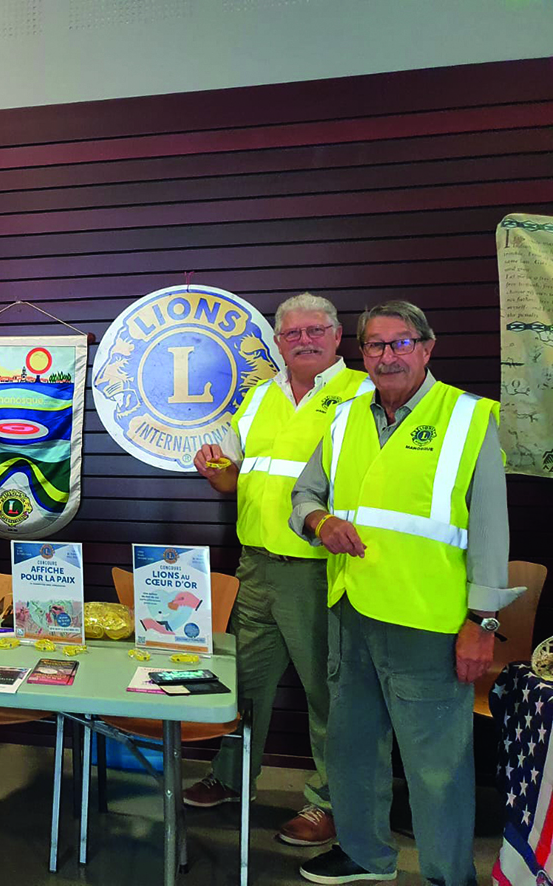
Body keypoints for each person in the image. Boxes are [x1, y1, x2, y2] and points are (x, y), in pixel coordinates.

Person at [289, 300, 521, 885]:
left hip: (429, 624)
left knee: (436, 768)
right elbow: (304, 497)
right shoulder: (343, 418)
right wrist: (320, 524)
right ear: (360, 352)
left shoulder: (470, 419)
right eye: (375, 345)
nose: (387, 356)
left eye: (399, 343)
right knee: (353, 750)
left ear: (426, 347)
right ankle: (367, 857)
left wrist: (482, 623)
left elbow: (492, 533)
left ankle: (448, 877)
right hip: (353, 612)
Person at [184, 293, 372, 847]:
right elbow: (236, 478)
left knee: (326, 693)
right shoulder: (262, 396)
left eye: (316, 330)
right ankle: (234, 777)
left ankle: (329, 802)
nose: (305, 340)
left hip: (321, 570)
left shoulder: (361, 394)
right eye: (292, 334)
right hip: (256, 567)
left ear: (339, 337)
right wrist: (215, 472)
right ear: (278, 342)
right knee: (243, 686)